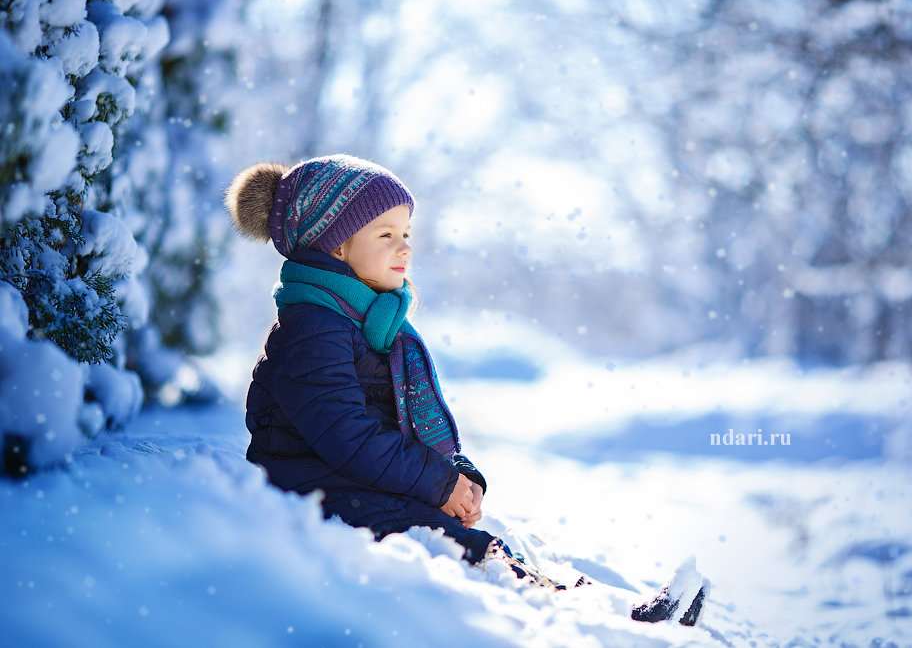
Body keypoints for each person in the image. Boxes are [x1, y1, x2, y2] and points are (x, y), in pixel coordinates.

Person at [225, 154, 707, 621]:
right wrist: (438, 484)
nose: (405, 248)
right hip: (307, 488)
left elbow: (396, 419)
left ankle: (599, 603)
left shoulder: (368, 321)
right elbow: (347, 435)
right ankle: (603, 617)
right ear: (334, 246)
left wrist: (458, 474)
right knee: (449, 541)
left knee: (479, 539)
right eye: (386, 234)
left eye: (407, 234)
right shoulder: (314, 327)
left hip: (348, 479)